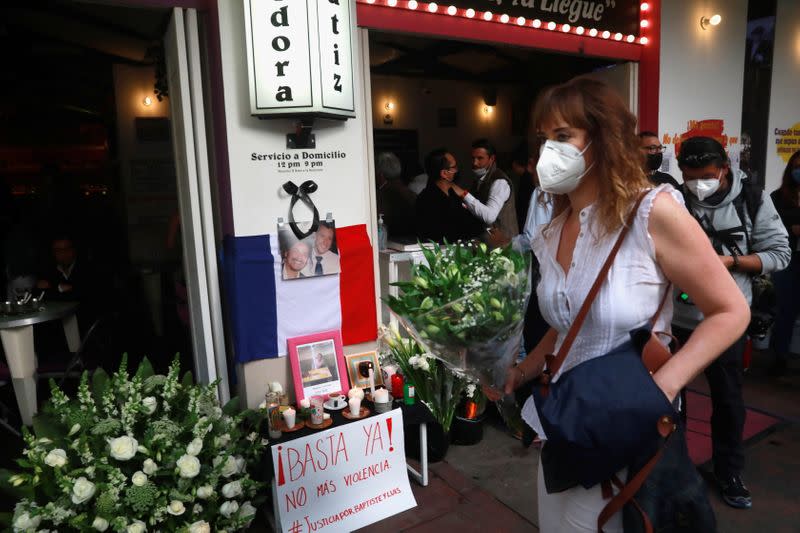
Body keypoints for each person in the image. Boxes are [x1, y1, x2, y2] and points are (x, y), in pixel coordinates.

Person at [485, 77, 749, 531]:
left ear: (602, 141)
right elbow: (568, 322)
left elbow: (731, 311)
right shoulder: (551, 232)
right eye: (544, 139)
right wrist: (519, 372)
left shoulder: (652, 211)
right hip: (566, 423)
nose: (549, 151)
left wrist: (663, 386)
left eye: (563, 137)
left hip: (630, 424)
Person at [673, 136, 790, 510]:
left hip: (726, 321)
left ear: (724, 168)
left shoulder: (752, 200)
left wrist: (730, 264)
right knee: (672, 400)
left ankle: (729, 471)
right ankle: (674, 470)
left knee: (728, 403)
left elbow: (780, 253)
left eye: (706, 176)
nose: (697, 185)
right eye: (689, 177)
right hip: (677, 318)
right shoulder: (674, 200)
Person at [768, 149, 800, 375]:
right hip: (789, 261)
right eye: (797, 167)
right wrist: (792, 229)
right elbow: (771, 228)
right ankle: (778, 358)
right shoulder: (778, 197)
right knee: (784, 310)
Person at [448, 139, 518, 239]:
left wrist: (464, 194)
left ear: (492, 159)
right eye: (473, 158)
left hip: (505, 246)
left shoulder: (500, 182)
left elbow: (489, 217)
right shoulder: (479, 180)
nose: (475, 163)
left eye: (480, 158)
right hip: (489, 243)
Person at [415, 148, 483, 243]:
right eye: (454, 167)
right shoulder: (428, 200)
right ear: (444, 173)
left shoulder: (452, 194)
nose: (456, 170)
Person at [375, 152, 416, 237]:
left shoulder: (378, 197)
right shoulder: (411, 193)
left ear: (380, 173)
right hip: (413, 242)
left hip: (389, 243)